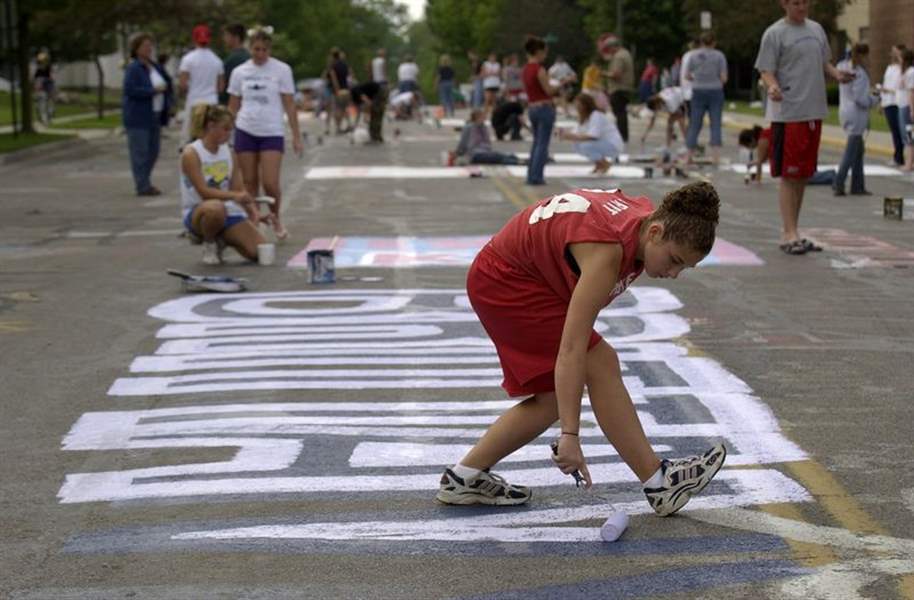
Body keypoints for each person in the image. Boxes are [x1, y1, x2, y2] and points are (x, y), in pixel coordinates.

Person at [435, 182, 727, 515]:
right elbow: (572, 349)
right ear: (656, 232)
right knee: (599, 362)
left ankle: (464, 477)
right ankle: (659, 483)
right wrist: (570, 435)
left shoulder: (642, 221)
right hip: (507, 283)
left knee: (554, 398)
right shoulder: (607, 250)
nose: (674, 274)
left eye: (684, 268)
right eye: (675, 260)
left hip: (515, 274)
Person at [754, 0, 853, 256]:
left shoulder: (816, 30)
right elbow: (766, 71)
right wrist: (772, 86)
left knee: (803, 175)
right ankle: (788, 234)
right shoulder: (774, 33)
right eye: (796, 2)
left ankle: (795, 230)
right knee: (790, 174)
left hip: (814, 111)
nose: (802, 7)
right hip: (788, 114)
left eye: (805, 2)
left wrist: (838, 75)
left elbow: (824, 63)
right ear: (784, 4)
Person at [227, 27, 302, 240]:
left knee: (270, 182)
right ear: (250, 48)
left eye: (264, 50)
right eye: (256, 49)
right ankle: (254, 221)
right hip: (245, 129)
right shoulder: (240, 72)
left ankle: (275, 217)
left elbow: (289, 104)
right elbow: (233, 105)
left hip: (271, 131)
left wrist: (296, 135)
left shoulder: (282, 70)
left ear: (269, 50)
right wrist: (225, 133)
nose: (259, 54)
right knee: (249, 182)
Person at [180, 104, 265, 265]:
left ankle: (222, 238)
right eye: (225, 129)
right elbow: (204, 192)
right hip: (200, 210)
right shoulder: (191, 153)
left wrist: (254, 212)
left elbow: (238, 188)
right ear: (211, 126)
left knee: (259, 252)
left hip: (228, 211)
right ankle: (208, 241)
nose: (229, 134)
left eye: (231, 129)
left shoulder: (229, 152)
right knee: (215, 208)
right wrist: (235, 196)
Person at [122, 32, 167, 197]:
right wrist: (152, 91)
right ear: (136, 48)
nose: (148, 49)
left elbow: (166, 82)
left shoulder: (153, 66)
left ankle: (145, 180)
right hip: (138, 116)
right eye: (145, 46)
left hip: (155, 114)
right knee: (140, 152)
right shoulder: (133, 68)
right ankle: (143, 185)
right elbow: (130, 90)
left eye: (150, 46)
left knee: (153, 151)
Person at [834, 44, 879, 196]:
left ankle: (858, 185)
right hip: (856, 113)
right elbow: (860, 98)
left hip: (845, 110)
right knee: (851, 151)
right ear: (863, 55)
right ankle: (838, 183)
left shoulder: (842, 66)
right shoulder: (859, 73)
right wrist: (875, 99)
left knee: (858, 151)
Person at [522, 35, 561, 186]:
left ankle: (531, 174)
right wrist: (563, 83)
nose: (545, 55)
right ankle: (537, 176)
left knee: (536, 143)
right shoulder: (539, 69)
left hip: (532, 108)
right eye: (544, 52)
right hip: (544, 107)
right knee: (542, 144)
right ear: (538, 52)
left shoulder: (525, 69)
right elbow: (549, 90)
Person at [739, 125, 835, 186]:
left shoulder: (762, 140)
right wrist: (753, 164)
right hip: (793, 150)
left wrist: (757, 180)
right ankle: (829, 175)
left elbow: (760, 162)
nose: (750, 148)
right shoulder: (764, 135)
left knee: (800, 179)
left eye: (748, 146)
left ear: (751, 140)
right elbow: (762, 159)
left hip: (792, 154)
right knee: (800, 177)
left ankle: (831, 175)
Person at [685, 32, 728, 164]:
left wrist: (697, 78)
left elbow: (687, 75)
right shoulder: (719, 56)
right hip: (715, 90)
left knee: (695, 123)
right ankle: (716, 157)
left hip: (698, 90)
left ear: (701, 42)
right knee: (715, 122)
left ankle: (689, 156)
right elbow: (724, 77)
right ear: (714, 42)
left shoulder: (693, 55)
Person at [178, 24, 224, 144]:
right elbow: (220, 87)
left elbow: (182, 84)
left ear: (194, 39)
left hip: (194, 102)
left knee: (193, 138)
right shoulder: (217, 60)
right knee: (209, 137)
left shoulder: (188, 59)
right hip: (211, 102)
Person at [559, 94, 624, 174]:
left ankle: (605, 164)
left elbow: (594, 136)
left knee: (585, 145)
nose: (577, 108)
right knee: (576, 144)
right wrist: (564, 134)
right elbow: (576, 132)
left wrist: (571, 136)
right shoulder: (584, 117)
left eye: (579, 105)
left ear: (586, 105)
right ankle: (599, 164)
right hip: (603, 143)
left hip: (612, 145)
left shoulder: (596, 115)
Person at [600, 34, 634, 143]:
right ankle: (624, 135)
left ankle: (622, 136)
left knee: (619, 113)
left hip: (618, 88)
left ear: (613, 47)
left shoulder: (618, 57)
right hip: (626, 87)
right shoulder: (625, 53)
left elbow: (616, 74)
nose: (608, 51)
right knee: (622, 112)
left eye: (609, 49)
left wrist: (602, 73)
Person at [455, 108, 520, 165]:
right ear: (476, 117)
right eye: (482, 117)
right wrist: (457, 154)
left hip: (485, 151)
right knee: (497, 158)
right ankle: (517, 162)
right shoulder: (468, 127)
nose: (484, 118)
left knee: (502, 155)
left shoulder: (483, 127)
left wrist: (487, 148)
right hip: (474, 154)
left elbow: (487, 142)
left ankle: (518, 160)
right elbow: (462, 143)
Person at [880, 45, 906, 167]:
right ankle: (898, 156)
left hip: (897, 102)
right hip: (888, 103)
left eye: (896, 52)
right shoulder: (889, 68)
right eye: (892, 52)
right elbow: (886, 83)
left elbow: (900, 87)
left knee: (900, 131)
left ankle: (899, 157)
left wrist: (888, 90)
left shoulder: (904, 69)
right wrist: (881, 102)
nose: (893, 54)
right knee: (894, 131)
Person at [219, 24, 250, 106]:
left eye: (227, 36)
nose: (224, 39)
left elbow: (224, 84)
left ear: (236, 38)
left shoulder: (233, 59)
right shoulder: (249, 57)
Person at [327, 48, 352, 135]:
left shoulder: (333, 66)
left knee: (338, 109)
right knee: (344, 108)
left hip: (338, 90)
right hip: (346, 89)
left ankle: (338, 127)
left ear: (332, 56)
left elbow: (334, 79)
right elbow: (349, 76)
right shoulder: (345, 65)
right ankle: (349, 125)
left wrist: (337, 89)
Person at [899, 48, 914, 172]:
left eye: (900, 57)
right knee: (907, 136)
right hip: (903, 106)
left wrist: (912, 110)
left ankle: (909, 164)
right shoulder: (906, 72)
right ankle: (909, 163)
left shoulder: (911, 72)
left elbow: (912, 92)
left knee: (909, 136)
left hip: (906, 107)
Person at [33, 52, 55, 124]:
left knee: (49, 103)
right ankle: (43, 118)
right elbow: (36, 81)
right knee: (41, 104)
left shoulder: (49, 68)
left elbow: (52, 78)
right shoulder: (38, 70)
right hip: (41, 89)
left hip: (48, 88)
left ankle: (49, 117)